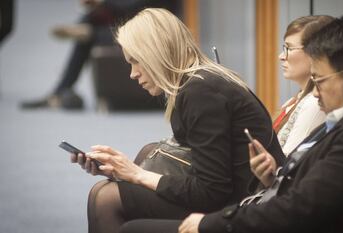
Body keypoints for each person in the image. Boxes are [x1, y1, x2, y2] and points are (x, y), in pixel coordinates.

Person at [118, 14, 343, 233]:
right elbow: (314, 193)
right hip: (261, 203)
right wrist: (274, 176)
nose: (315, 90)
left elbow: (300, 211)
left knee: (128, 225)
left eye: (319, 80)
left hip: (258, 217)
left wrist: (210, 224)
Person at [71, 8, 285, 233]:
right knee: (147, 153)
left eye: (136, 62)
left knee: (105, 198)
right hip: (232, 190)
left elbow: (211, 192)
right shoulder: (199, 81)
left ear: (157, 53)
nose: (132, 74)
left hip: (242, 207)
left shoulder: (201, 92)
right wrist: (121, 172)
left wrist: (136, 174)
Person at [20, 0, 180, 110]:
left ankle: (88, 32)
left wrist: (103, 2)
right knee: (89, 27)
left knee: (94, 34)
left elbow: (141, 7)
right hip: (129, 21)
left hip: (156, 28)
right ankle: (60, 91)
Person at [273, 15, 332, 155]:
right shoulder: (296, 100)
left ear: (315, 53)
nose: (281, 56)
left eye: (289, 48)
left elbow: (288, 163)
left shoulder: (314, 103)